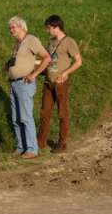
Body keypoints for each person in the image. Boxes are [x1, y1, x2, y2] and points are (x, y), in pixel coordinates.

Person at [38, 15, 82, 153]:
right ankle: (40, 143)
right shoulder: (51, 42)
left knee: (62, 113)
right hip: (48, 82)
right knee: (44, 113)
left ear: (56, 27)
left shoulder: (69, 42)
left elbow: (78, 62)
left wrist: (65, 73)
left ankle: (62, 144)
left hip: (60, 83)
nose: (48, 31)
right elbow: (47, 60)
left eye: (49, 28)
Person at [7, 16, 50, 159]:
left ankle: (32, 149)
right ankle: (21, 147)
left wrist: (34, 74)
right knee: (15, 118)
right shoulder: (17, 43)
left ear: (22, 27)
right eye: (10, 28)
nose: (11, 30)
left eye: (13, 27)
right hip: (14, 83)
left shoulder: (31, 40)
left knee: (25, 117)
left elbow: (46, 57)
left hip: (24, 84)